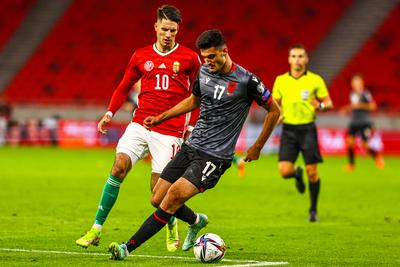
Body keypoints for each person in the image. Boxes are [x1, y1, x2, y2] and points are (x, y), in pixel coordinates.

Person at [107, 29, 281, 260]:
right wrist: (161, 117)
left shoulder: (246, 81)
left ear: (224, 52)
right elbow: (194, 101)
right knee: (157, 198)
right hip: (191, 147)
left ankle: (125, 248)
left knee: (172, 198)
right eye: (204, 58)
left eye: (211, 57)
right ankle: (196, 220)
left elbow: (274, 110)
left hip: (214, 156)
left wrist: (257, 146)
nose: (207, 62)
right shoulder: (204, 74)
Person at [76, 5, 201, 252]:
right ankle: (96, 229)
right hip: (140, 123)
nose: (168, 34)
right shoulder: (141, 56)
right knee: (118, 167)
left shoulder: (189, 58)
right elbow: (124, 86)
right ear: (155, 27)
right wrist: (109, 113)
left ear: (178, 30)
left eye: (173, 31)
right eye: (164, 29)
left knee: (158, 191)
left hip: (170, 131)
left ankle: (172, 224)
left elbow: (198, 95)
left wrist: (193, 125)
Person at [272, 44, 333, 222]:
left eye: (300, 56)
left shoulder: (315, 80)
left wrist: (320, 106)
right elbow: (275, 104)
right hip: (289, 129)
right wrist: (277, 115)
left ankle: (313, 210)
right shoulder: (281, 80)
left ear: (306, 59)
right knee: (284, 171)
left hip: (307, 129)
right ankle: (296, 175)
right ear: (289, 59)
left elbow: (329, 103)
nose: (297, 59)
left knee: (313, 172)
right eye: (294, 56)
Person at [342, 73, 384, 171]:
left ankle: (377, 157)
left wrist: (359, 105)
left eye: (357, 81)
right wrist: (346, 109)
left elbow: (373, 106)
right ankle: (351, 165)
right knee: (350, 142)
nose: (355, 83)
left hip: (364, 122)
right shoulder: (352, 94)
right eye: (353, 81)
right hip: (354, 122)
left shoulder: (365, 94)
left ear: (361, 83)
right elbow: (354, 106)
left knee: (364, 145)